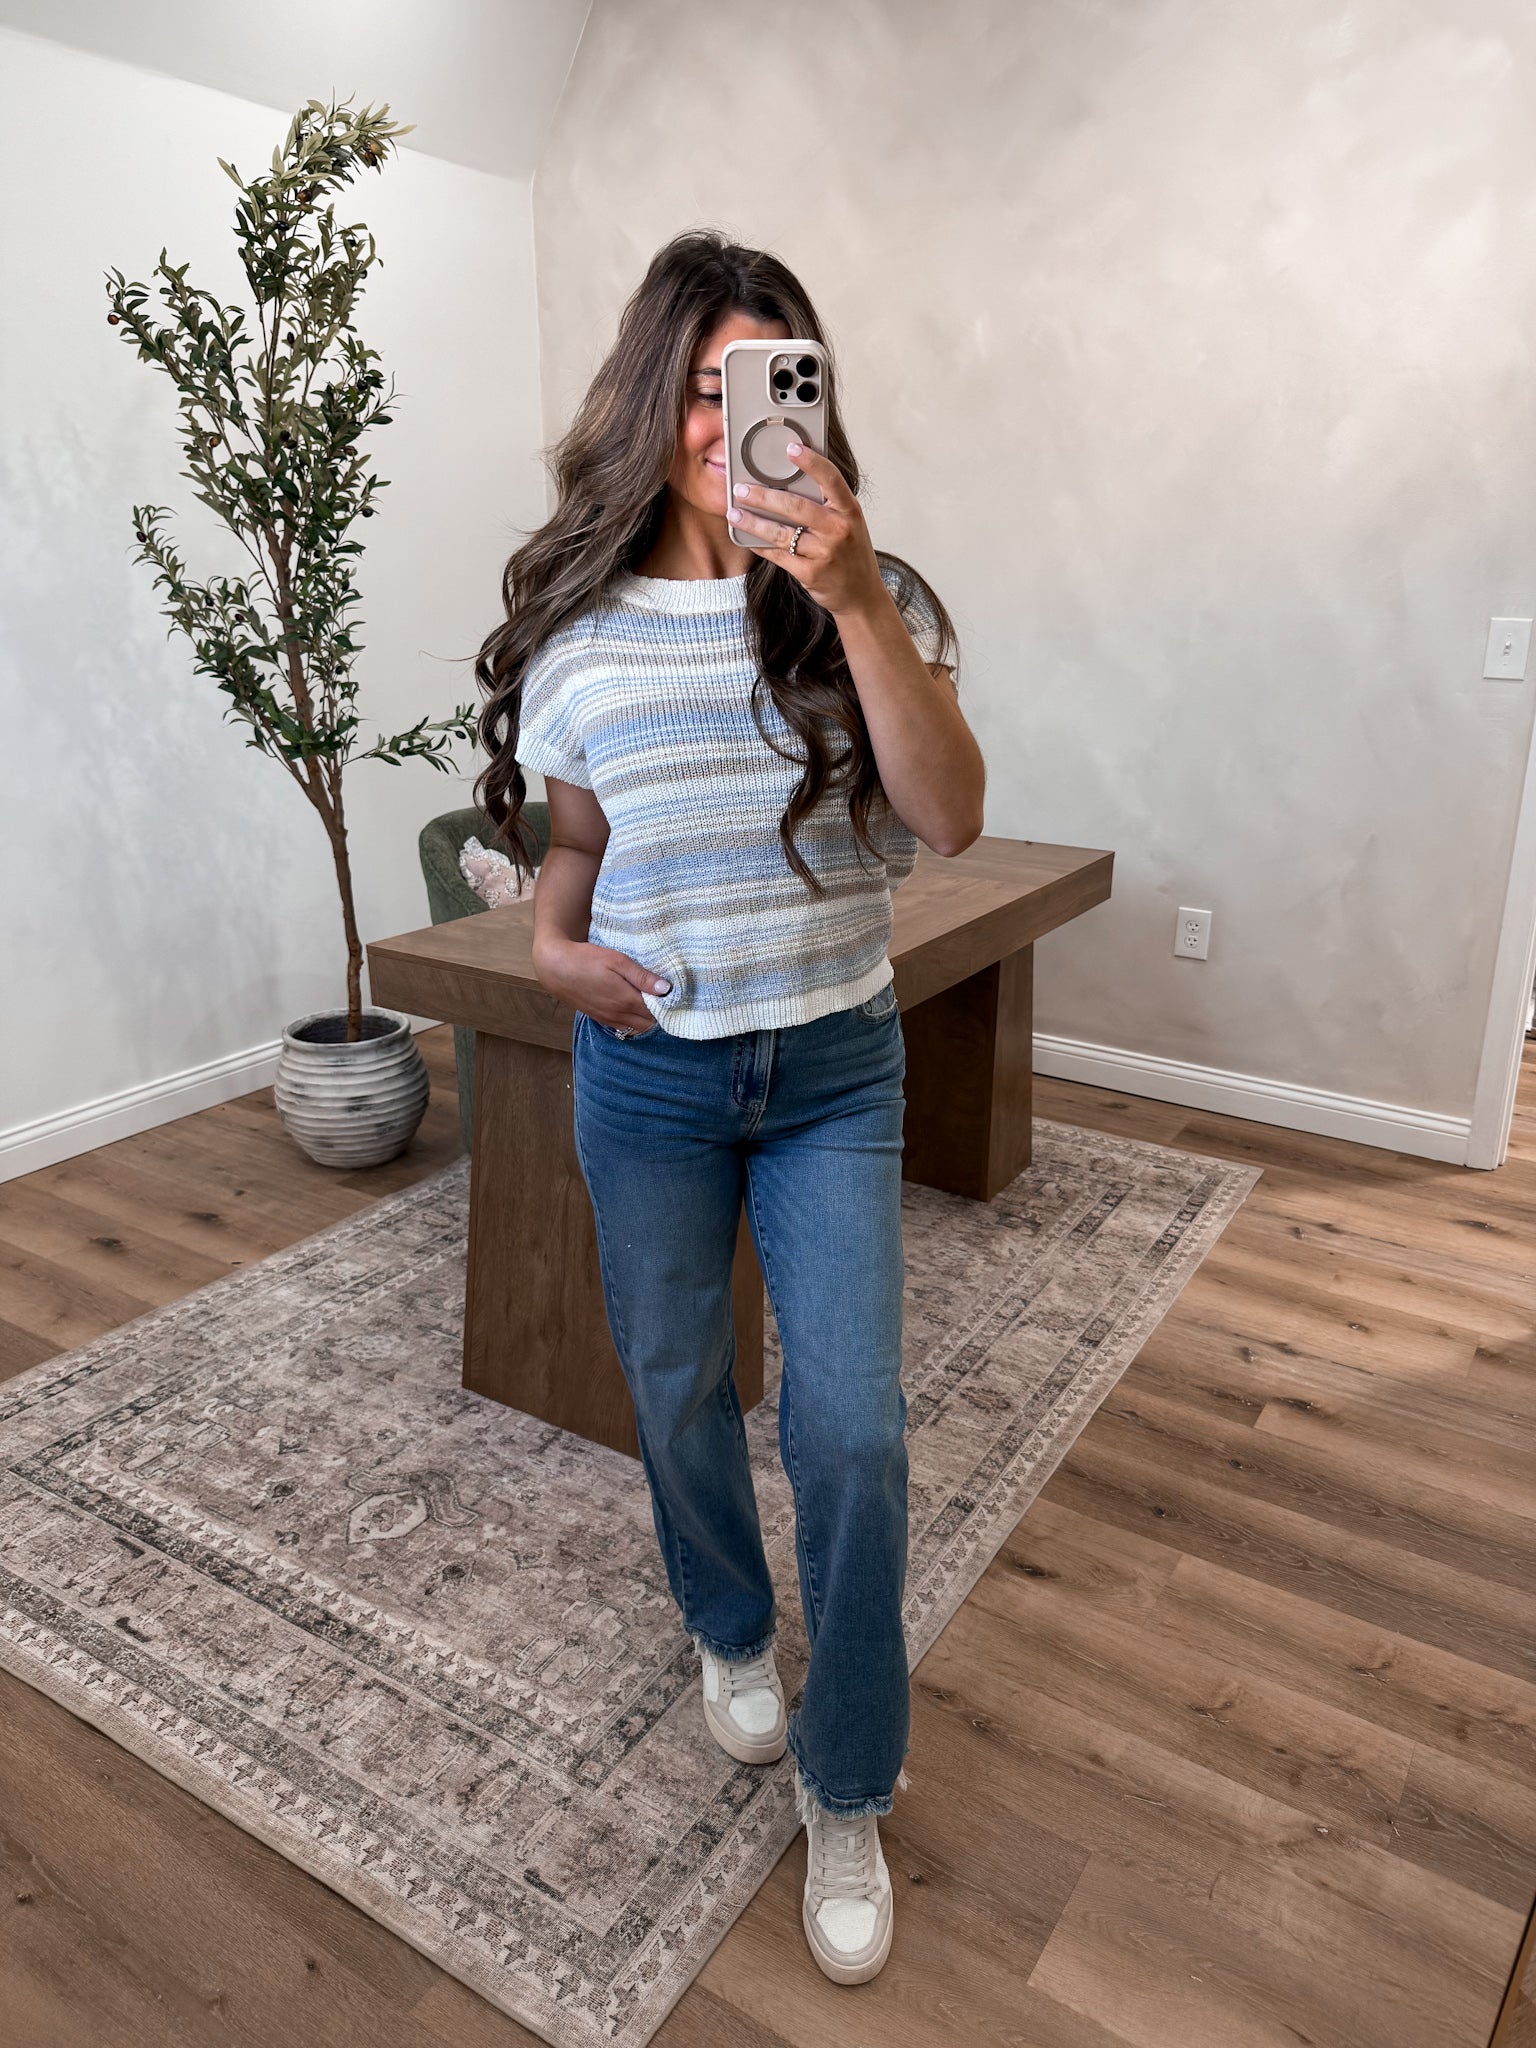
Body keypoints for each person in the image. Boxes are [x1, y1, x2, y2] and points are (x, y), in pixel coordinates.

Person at [473, 230, 985, 1985]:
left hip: (834, 1067)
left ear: (812, 397)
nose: (728, 423)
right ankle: (725, 1621)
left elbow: (953, 817)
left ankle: (848, 1784)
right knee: (677, 1381)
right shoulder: (577, 629)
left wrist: (849, 594)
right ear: (652, 401)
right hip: (652, 1080)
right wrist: (552, 951)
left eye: (764, 383)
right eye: (699, 387)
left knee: (851, 1430)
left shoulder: (873, 598)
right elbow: (581, 839)